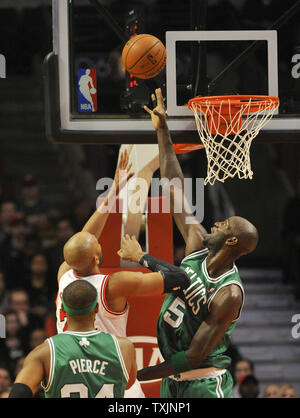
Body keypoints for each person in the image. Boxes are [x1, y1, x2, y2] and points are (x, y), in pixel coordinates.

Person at [128, 88, 259, 398]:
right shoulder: (197, 242)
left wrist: (139, 375)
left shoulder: (229, 293)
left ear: (230, 240)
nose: (215, 222)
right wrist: (163, 131)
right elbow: (175, 189)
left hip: (203, 380)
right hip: (173, 379)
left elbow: (195, 354)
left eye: (224, 224)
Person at [55, 149, 190, 398]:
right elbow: (180, 278)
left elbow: (85, 239)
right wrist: (141, 257)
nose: (96, 239)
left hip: (73, 370)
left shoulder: (65, 273)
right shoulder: (114, 285)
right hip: (108, 373)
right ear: (96, 257)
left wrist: (114, 191)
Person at [9, 280, 137, 398]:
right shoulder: (124, 347)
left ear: (63, 309)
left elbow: (19, 392)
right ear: (96, 308)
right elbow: (128, 384)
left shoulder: (45, 352)